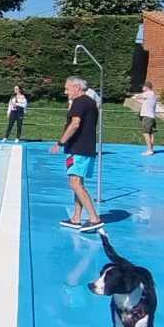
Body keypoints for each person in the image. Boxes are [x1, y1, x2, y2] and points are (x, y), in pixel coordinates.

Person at [53, 75, 103, 231]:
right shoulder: (91, 103)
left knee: (75, 183)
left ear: (77, 87)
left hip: (78, 149)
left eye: (67, 88)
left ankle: (94, 218)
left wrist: (60, 142)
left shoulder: (79, 102)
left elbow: (75, 124)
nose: (66, 91)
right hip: (87, 149)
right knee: (78, 184)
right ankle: (76, 218)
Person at [139, 81, 160, 156]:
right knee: (151, 133)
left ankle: (150, 150)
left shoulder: (148, 93)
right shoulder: (152, 94)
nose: (142, 88)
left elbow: (138, 96)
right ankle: (151, 149)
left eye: (143, 86)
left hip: (147, 117)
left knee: (146, 133)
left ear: (146, 87)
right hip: (151, 116)